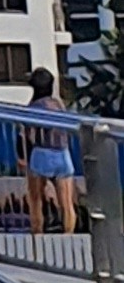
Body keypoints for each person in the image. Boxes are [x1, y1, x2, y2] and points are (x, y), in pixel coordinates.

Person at [22, 65, 81, 240]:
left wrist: (22, 155)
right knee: (67, 203)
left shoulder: (33, 107)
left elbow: (26, 134)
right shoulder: (58, 105)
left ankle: (37, 233)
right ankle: (68, 235)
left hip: (42, 152)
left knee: (36, 199)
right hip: (62, 153)